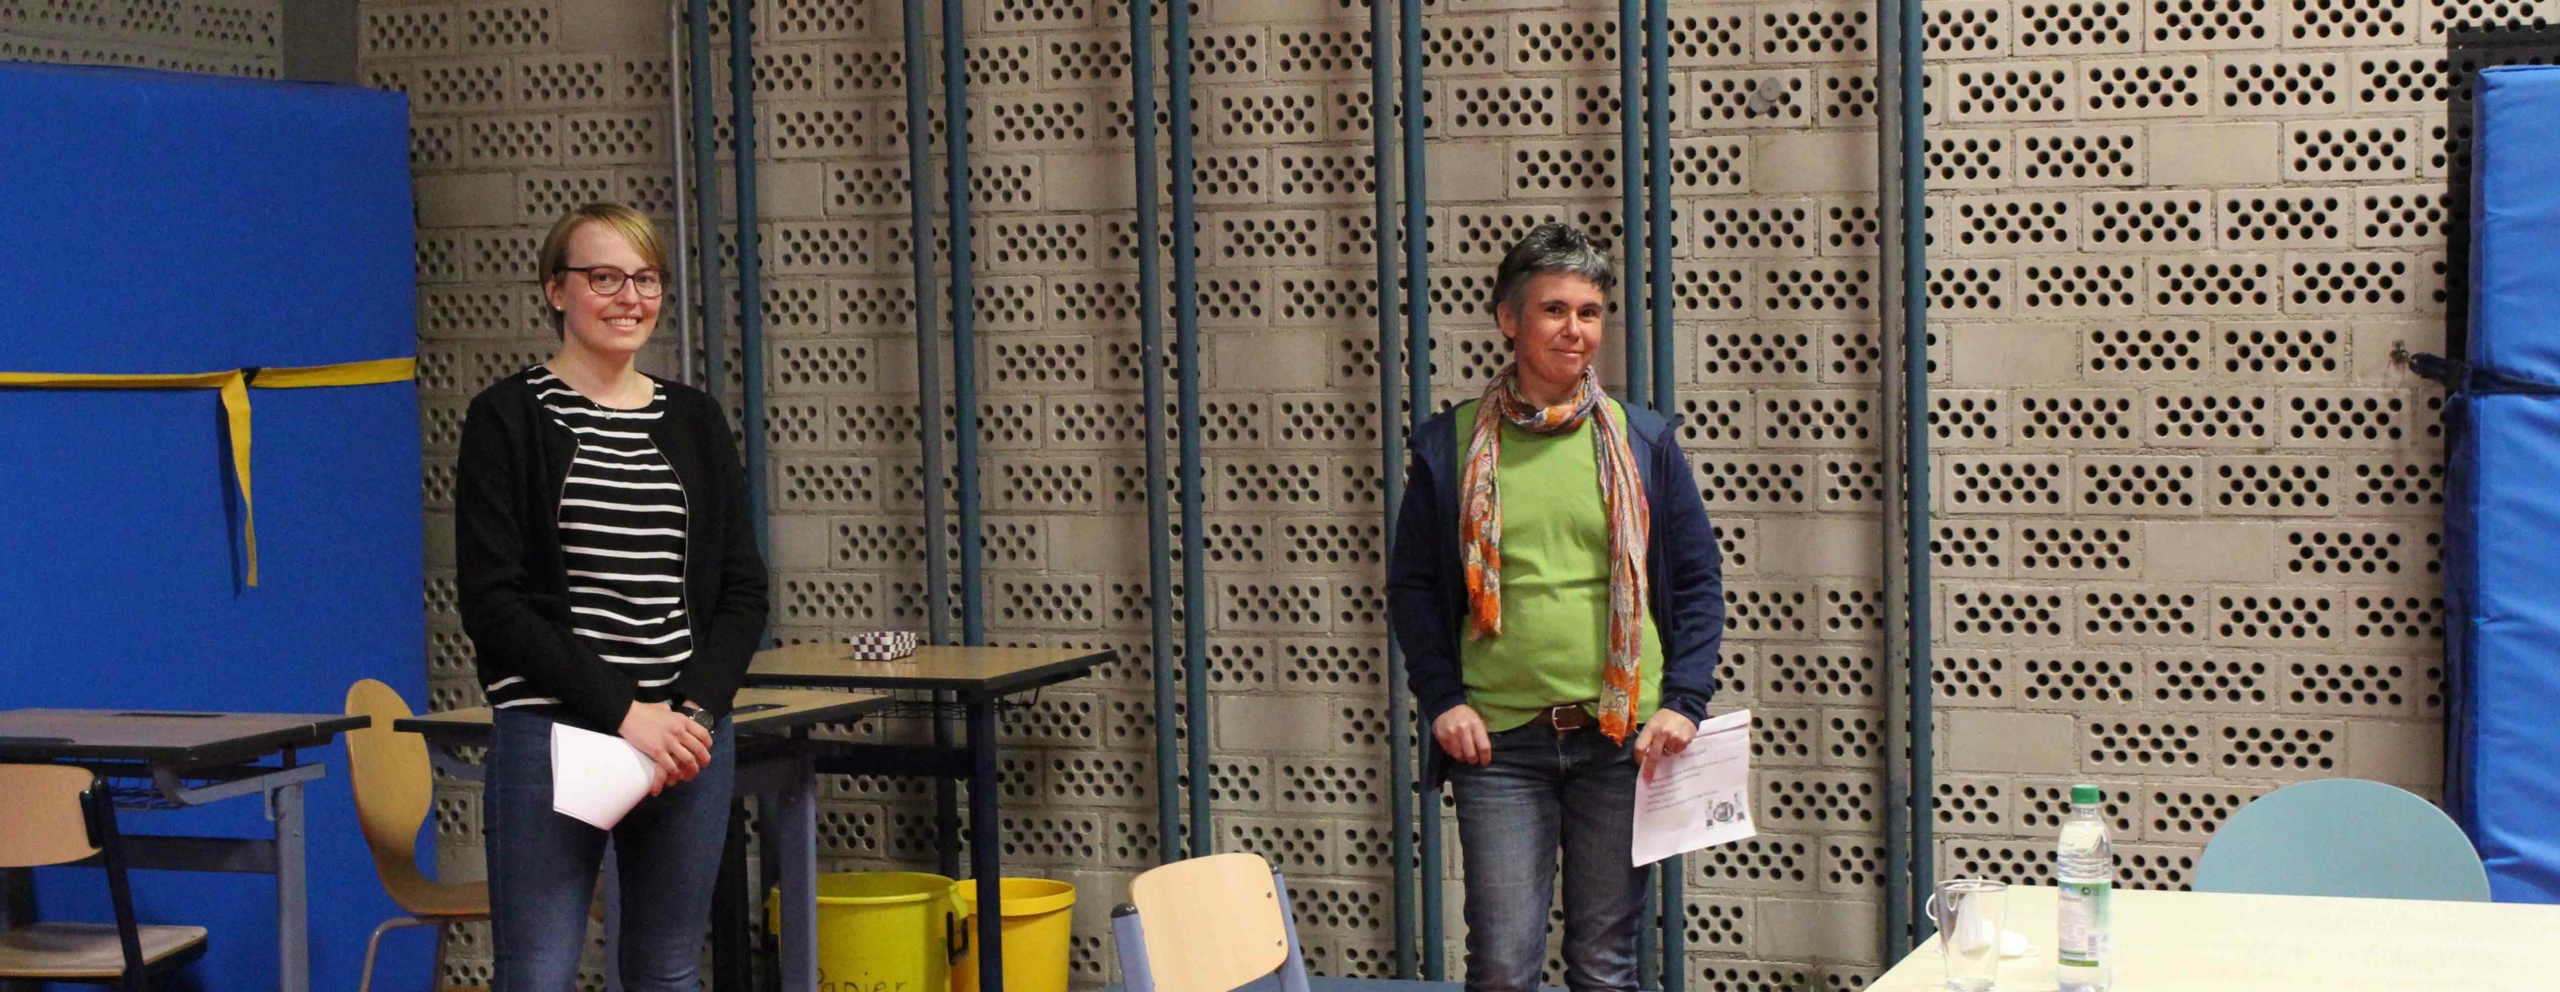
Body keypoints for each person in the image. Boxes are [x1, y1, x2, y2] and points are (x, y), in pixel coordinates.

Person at [1387, 222, 1726, 992]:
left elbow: (1699, 580)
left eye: (1589, 312)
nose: (1575, 329)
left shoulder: (1643, 441)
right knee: (1503, 967)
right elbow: (1413, 588)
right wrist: (1442, 699)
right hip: (1499, 746)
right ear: (1509, 319)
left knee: (1605, 968)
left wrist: (1684, 702)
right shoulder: (1450, 446)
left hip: (1621, 741)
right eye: (1554, 310)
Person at [455, 202, 768, 991]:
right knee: (538, 972)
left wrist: (693, 713)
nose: (630, 298)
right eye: (604, 278)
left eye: (646, 279)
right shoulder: (506, 418)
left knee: (668, 970)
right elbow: (495, 604)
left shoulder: (694, 419)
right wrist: (628, 713)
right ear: (556, 290)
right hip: (555, 734)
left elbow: (742, 590)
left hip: (685, 740)